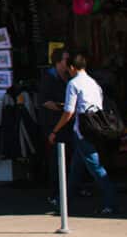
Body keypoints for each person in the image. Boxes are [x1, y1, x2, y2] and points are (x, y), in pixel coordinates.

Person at [47, 52, 117, 215]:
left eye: (68, 69)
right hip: (95, 129)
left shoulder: (73, 84)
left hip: (82, 132)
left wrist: (54, 130)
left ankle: (111, 203)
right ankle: (62, 202)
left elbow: (68, 112)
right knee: (75, 170)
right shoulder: (94, 83)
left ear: (72, 67)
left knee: (97, 170)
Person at [37, 49, 71, 186]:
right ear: (58, 62)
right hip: (53, 122)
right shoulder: (49, 77)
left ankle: (70, 187)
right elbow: (44, 101)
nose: (69, 62)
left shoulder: (69, 76)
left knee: (69, 155)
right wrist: (63, 107)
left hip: (67, 121)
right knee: (57, 157)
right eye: (66, 59)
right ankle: (56, 191)